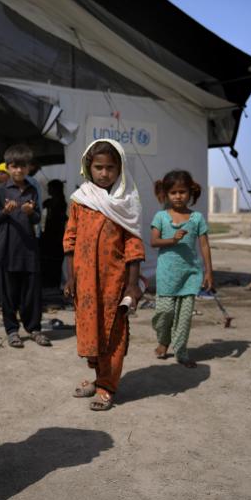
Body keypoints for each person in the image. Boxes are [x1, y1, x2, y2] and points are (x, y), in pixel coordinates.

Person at [63, 140, 145, 410]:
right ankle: (98, 377)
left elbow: (133, 247)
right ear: (88, 167)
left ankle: (107, 386)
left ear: (120, 168)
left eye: (111, 168)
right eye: (98, 167)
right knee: (91, 330)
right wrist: (71, 277)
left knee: (113, 332)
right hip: (85, 281)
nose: (104, 173)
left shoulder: (126, 203)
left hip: (114, 282)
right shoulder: (80, 200)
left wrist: (132, 286)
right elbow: (70, 240)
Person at [149, 169, 213, 369]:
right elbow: (153, 241)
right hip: (167, 275)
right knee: (165, 312)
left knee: (184, 317)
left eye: (182, 192)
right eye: (173, 193)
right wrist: (172, 239)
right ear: (166, 194)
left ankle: (181, 352)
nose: (178, 196)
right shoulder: (160, 216)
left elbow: (204, 245)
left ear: (190, 193)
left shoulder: (197, 218)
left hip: (190, 274)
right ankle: (163, 340)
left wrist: (209, 271)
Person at [0, 144, 49, 348]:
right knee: (8, 292)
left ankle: (34, 328)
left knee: (31, 292)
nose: (18, 170)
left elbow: (36, 219)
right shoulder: (1, 191)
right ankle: (12, 330)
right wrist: (6, 211)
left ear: (29, 168)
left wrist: (29, 212)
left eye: (22, 166)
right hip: (7, 248)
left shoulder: (33, 190)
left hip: (28, 249)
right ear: (7, 167)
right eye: (14, 166)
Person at [40, 179, 68, 288]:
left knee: (54, 260)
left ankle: (54, 283)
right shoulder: (51, 202)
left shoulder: (60, 202)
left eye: (50, 188)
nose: (48, 190)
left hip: (56, 234)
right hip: (50, 233)